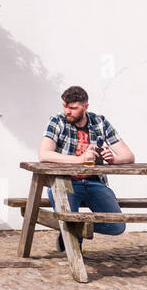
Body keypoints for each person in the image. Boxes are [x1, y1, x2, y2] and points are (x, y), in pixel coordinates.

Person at [41, 85, 135, 252]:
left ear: (85, 107)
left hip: (94, 183)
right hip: (65, 182)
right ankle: (71, 233)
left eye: (72, 108)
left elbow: (129, 156)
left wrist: (114, 159)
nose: (67, 111)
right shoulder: (57, 121)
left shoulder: (100, 122)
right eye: (64, 106)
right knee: (68, 218)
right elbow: (44, 154)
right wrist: (79, 160)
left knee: (117, 226)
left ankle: (71, 227)